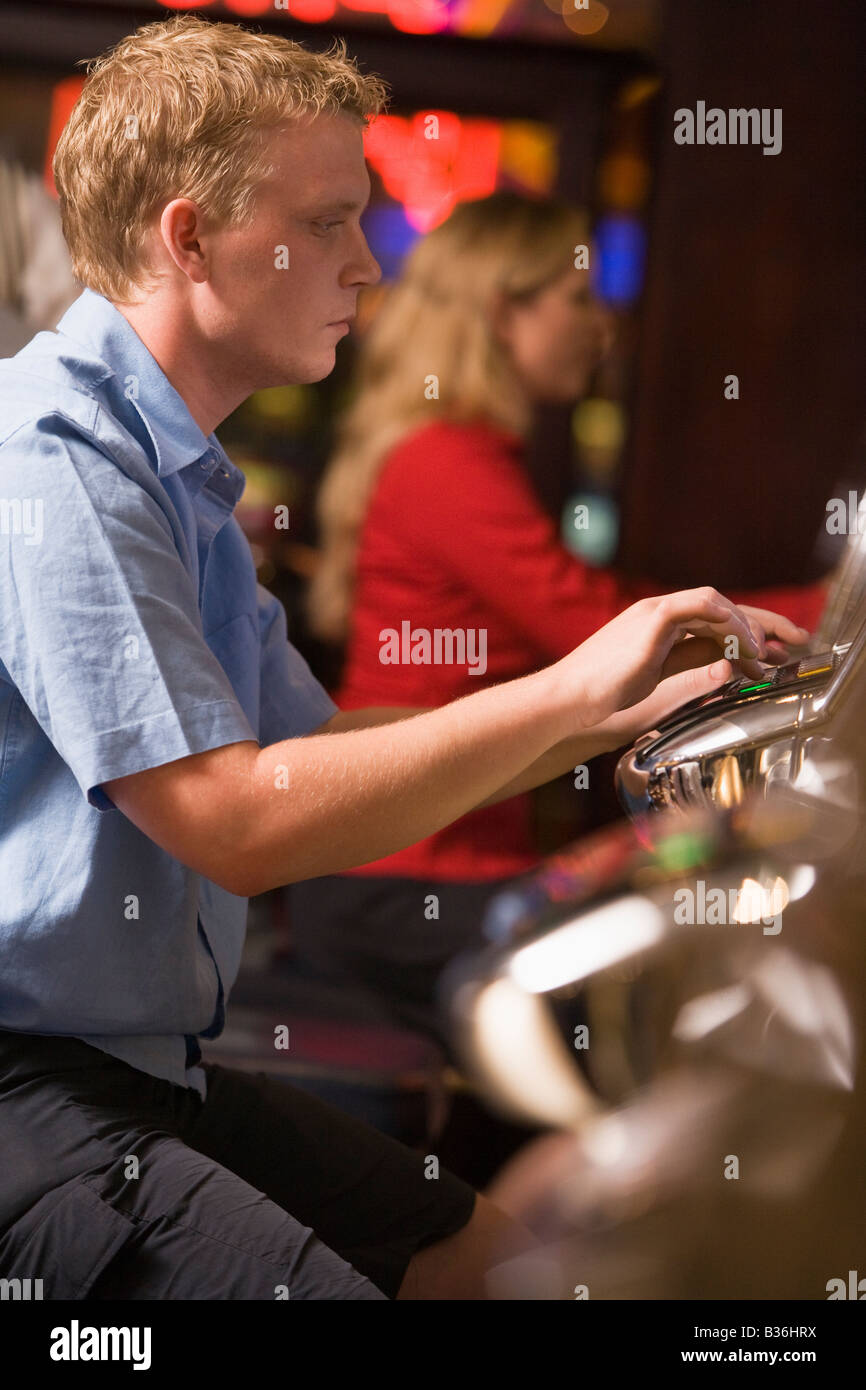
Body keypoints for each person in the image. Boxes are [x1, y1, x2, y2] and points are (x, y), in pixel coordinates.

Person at [0, 14, 807, 1301]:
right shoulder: (56, 460)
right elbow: (235, 822)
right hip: (30, 1092)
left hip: (143, 1066)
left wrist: (615, 711)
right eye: (326, 222)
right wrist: (565, 685)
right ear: (189, 239)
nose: (368, 263)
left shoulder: (177, 476)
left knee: (493, 1262)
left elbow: (317, 751)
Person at [297, 192, 829, 1046]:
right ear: (502, 312)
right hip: (399, 875)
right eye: (578, 298)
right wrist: (827, 608)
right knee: (694, 973)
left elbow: (602, 615)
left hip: (409, 861)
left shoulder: (454, 446)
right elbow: (592, 627)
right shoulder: (445, 459)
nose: (602, 325)